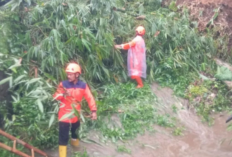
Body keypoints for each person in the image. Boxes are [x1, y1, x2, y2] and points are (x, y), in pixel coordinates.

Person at [53, 62, 97, 157]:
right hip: (64, 115)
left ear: (77, 74)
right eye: (67, 74)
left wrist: (93, 111)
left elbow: (90, 98)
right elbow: (55, 97)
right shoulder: (63, 84)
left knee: (75, 134)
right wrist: (63, 94)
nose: (68, 76)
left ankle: (76, 150)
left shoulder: (83, 85)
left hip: (75, 115)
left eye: (71, 74)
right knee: (63, 137)